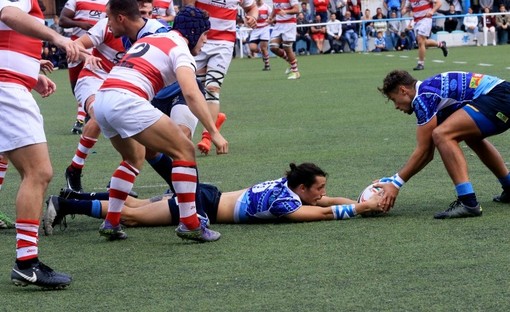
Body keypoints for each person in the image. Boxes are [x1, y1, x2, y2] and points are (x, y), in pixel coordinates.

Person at [93, 6, 228, 242]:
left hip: (103, 99)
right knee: (184, 150)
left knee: (133, 159)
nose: (206, 41)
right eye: (205, 35)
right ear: (195, 32)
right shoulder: (181, 49)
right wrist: (213, 132)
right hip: (127, 99)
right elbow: (191, 92)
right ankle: (190, 224)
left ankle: (112, 221)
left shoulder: (155, 37)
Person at [0, 0, 85, 289]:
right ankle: (27, 263)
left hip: (10, 82)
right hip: (6, 88)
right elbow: (9, 15)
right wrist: (56, 37)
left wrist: (30, 75)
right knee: (38, 172)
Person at [43, 163, 385, 234]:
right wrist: (359, 209)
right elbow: (323, 214)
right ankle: (66, 205)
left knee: (136, 205)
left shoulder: (286, 186)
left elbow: (322, 204)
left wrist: (360, 200)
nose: (322, 194)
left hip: (206, 192)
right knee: (131, 216)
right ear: (302, 189)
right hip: (205, 204)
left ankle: (71, 198)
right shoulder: (286, 205)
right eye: (319, 187)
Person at [377, 70, 510, 219]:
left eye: (394, 99)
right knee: (470, 137)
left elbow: (425, 152)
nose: (396, 106)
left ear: (403, 90)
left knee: (442, 134)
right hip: (501, 95)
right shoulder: (428, 91)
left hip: (499, 98)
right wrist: (392, 181)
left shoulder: (423, 98)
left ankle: (468, 202)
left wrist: (395, 183)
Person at [185, 0, 257, 155]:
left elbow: (252, 8)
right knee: (195, 88)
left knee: (212, 88)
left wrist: (252, 18)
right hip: (199, 41)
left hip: (224, 43)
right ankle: (215, 120)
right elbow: (188, 9)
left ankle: (207, 136)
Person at [59, 0, 108, 134]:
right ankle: (89, 116)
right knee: (76, 88)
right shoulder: (75, 1)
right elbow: (62, 20)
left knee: (92, 84)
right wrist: (80, 24)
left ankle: (83, 119)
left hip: (98, 48)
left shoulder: (107, 2)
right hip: (76, 47)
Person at [402, 0, 448, 70]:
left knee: (420, 41)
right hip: (416, 20)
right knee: (423, 42)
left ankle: (420, 64)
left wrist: (432, 11)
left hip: (425, 19)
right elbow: (407, 7)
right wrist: (404, 10)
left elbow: (439, 3)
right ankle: (441, 44)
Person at [267, 0, 301, 79]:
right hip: (279, 24)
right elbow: (275, 7)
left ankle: (296, 72)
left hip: (289, 24)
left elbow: (296, 9)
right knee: (273, 47)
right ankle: (291, 61)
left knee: (287, 47)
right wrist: (271, 17)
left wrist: (286, 11)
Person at [249, 0, 272, 70]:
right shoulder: (252, 8)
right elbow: (248, 17)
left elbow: (272, 17)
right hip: (255, 30)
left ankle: (267, 65)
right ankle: (262, 54)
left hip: (264, 29)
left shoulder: (267, 7)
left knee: (264, 48)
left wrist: (269, 20)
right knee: (252, 48)